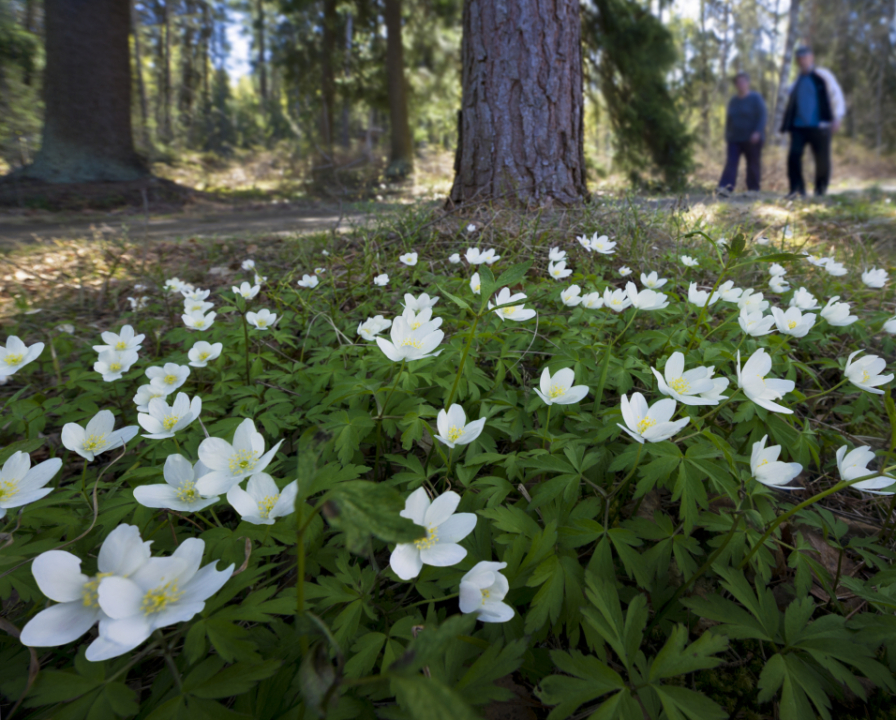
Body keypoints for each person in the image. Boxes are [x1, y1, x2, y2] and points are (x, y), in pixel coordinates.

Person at [780, 46, 846, 197]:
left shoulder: (822, 76)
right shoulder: (797, 81)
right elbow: (789, 101)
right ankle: (797, 190)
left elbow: (836, 96)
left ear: (811, 58)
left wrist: (838, 117)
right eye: (799, 58)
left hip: (820, 125)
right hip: (798, 126)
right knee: (794, 156)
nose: (802, 60)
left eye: (805, 57)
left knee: (822, 159)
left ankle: (820, 191)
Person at [718, 72, 767, 196]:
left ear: (748, 83)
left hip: (752, 139)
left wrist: (757, 132)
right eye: (738, 82)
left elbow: (762, 116)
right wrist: (727, 135)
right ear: (736, 85)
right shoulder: (733, 101)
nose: (741, 84)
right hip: (734, 138)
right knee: (731, 163)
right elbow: (729, 119)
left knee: (752, 164)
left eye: (743, 81)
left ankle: (753, 190)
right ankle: (725, 188)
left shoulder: (756, 98)